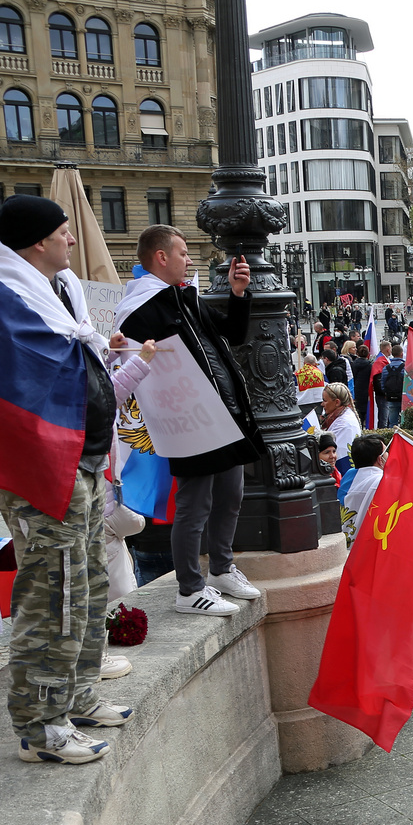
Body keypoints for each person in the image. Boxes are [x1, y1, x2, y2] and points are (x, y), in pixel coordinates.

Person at [0, 196, 163, 764]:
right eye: (64, 232)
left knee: (83, 584)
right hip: (42, 470)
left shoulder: (59, 291)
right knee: (51, 590)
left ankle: (76, 695)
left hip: (82, 461)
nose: (73, 240)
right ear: (37, 242)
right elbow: (17, 386)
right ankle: (41, 725)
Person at [118, 224, 266, 617]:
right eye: (182, 252)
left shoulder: (185, 297)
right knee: (194, 503)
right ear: (161, 256)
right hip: (188, 421)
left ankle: (221, 568)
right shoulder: (140, 308)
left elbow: (231, 334)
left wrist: (237, 294)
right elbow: (136, 363)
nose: (189, 259)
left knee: (231, 495)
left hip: (221, 414)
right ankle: (189, 588)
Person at [375, 341, 406, 428]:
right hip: (402, 398)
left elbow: (383, 383)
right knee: (404, 424)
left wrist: (386, 393)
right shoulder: (405, 367)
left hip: (391, 398)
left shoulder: (386, 368)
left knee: (392, 423)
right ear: (401, 354)